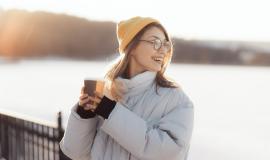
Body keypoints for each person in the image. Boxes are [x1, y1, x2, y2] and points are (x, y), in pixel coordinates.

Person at [60, 16, 194, 160]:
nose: (163, 50)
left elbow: (170, 153)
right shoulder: (107, 92)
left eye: (166, 45)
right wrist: (84, 115)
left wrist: (110, 111)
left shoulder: (177, 101)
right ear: (132, 46)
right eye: (155, 42)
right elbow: (75, 153)